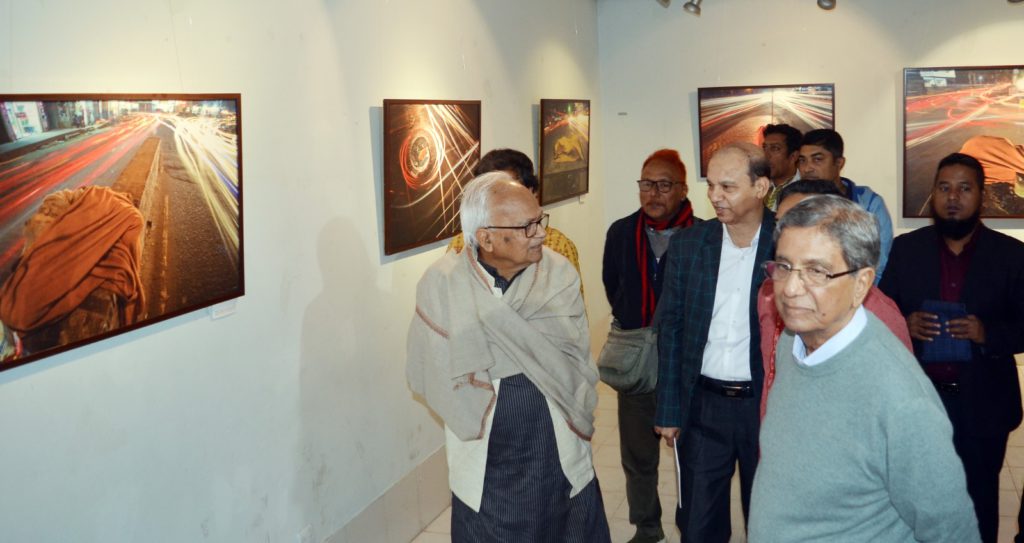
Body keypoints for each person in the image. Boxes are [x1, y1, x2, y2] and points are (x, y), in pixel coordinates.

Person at [750, 194, 980, 542]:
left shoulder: (901, 400)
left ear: (861, 284)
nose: (791, 289)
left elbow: (951, 531)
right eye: (784, 266)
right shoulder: (791, 341)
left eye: (816, 271)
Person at [407, 172, 610, 542]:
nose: (541, 234)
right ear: (485, 237)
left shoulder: (558, 274)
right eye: (527, 226)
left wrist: (485, 357)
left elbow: (572, 355)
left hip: (554, 440)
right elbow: (432, 369)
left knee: (565, 522)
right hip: (484, 449)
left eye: (540, 220)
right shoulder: (443, 285)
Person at [880, 152, 1024, 543]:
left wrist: (987, 333)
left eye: (964, 188)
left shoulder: (1011, 255)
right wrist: (905, 324)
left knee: (978, 506)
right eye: (944, 188)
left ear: (982, 195)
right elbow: (879, 314)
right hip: (917, 404)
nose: (953, 197)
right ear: (934, 194)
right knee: (914, 504)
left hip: (983, 405)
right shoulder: (906, 249)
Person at [654, 142, 773, 543]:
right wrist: (668, 408)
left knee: (768, 520)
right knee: (698, 524)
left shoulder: (787, 243)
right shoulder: (689, 245)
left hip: (766, 406)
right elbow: (670, 328)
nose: (715, 196)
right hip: (703, 405)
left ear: (761, 188)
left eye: (728, 187)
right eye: (711, 186)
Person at [602, 149, 697, 543]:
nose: (653, 193)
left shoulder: (703, 235)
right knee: (638, 454)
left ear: (683, 189)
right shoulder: (621, 232)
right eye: (646, 184)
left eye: (663, 185)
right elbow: (613, 286)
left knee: (693, 456)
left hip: (687, 364)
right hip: (637, 362)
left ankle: (694, 525)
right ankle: (647, 526)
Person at [755, 179, 911, 419]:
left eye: (800, 222)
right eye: (780, 224)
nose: (785, 235)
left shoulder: (876, 312)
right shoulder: (769, 292)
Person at [448, 148, 582, 292]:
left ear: (532, 192)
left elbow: (570, 301)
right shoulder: (461, 246)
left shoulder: (557, 246)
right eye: (492, 193)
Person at [798, 128, 893, 280]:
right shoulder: (794, 203)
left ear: (839, 163)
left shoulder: (869, 204)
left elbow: (878, 266)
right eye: (802, 160)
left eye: (817, 159)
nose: (807, 168)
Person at [761, 123, 802, 211]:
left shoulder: (805, 191)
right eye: (764, 148)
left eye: (775, 148)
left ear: (793, 156)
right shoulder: (757, 185)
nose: (765, 155)